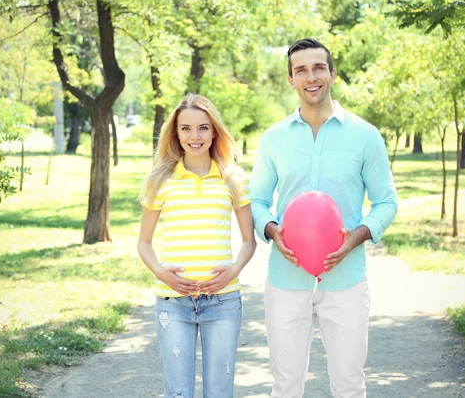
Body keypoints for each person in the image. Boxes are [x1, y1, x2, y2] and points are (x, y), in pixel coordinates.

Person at [249, 38, 398, 397]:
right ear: (290, 80)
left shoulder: (366, 136)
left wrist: (357, 236)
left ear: (332, 74)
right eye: (300, 70)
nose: (310, 76)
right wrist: (271, 230)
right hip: (286, 281)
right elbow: (256, 199)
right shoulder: (273, 139)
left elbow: (386, 202)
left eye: (318, 68)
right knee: (285, 384)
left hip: (346, 282)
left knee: (348, 384)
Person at [137, 93, 256, 398]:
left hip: (223, 303)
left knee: (219, 392)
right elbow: (144, 243)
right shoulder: (160, 180)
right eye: (186, 128)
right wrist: (161, 273)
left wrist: (234, 271)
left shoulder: (233, 179)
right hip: (172, 303)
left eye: (203, 128)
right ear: (176, 133)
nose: (195, 136)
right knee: (179, 393)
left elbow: (248, 241)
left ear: (214, 131)